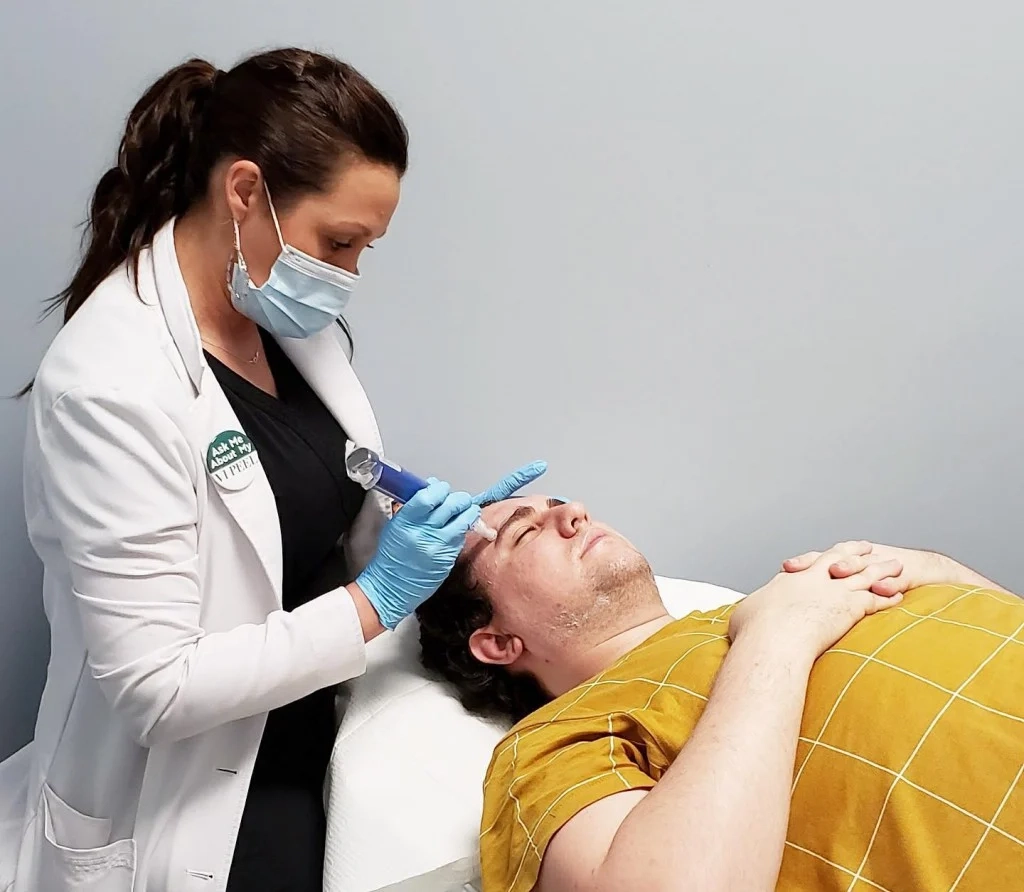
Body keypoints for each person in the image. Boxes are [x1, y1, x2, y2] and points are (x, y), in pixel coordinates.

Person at [0, 49, 545, 892]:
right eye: (339, 242)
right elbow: (156, 688)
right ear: (245, 191)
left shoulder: (280, 318)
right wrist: (376, 600)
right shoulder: (108, 385)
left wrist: (408, 527)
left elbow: (305, 498)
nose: (347, 274)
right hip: (188, 793)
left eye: (364, 248)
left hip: (308, 724)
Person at [415, 495, 1024, 892]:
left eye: (558, 504)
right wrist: (779, 635)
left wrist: (939, 571)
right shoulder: (554, 742)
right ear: (497, 642)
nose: (573, 512)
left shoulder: (796, 590)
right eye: (524, 534)